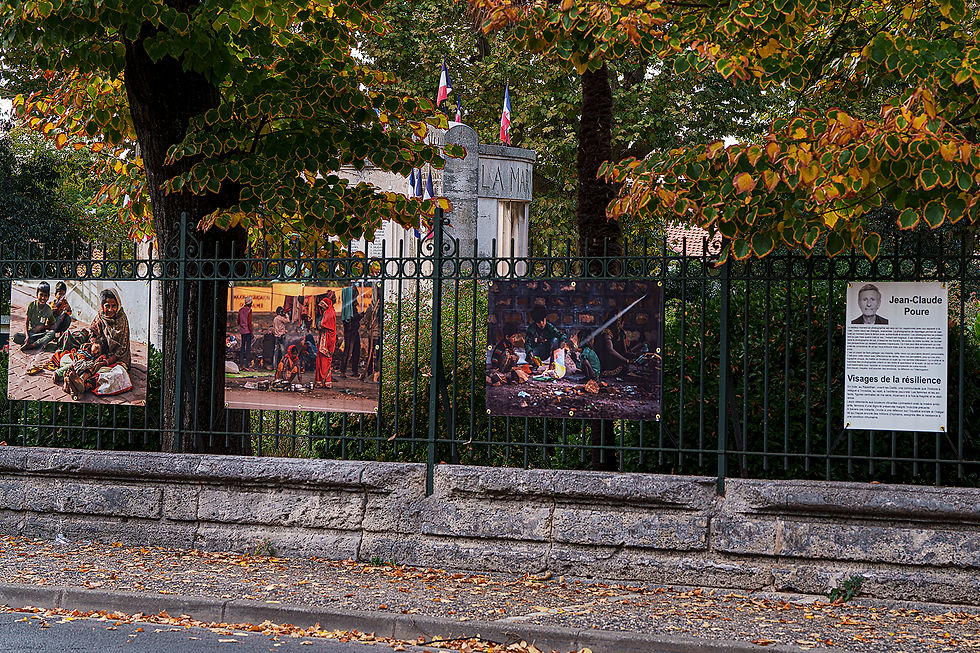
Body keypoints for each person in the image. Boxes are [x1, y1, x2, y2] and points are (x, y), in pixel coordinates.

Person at [89, 288, 131, 368]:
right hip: (101, 353)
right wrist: (94, 346)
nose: (110, 310)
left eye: (113, 306)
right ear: (102, 306)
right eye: (107, 306)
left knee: (115, 373)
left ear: (118, 304)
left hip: (119, 358)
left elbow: (122, 349)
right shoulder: (100, 317)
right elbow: (92, 334)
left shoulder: (121, 319)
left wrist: (106, 362)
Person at [14, 281, 55, 351]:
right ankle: (38, 343)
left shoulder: (48, 309)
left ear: (48, 297)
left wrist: (43, 327)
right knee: (16, 337)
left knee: (52, 334)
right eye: (41, 295)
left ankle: (32, 345)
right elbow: (26, 323)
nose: (43, 297)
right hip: (31, 334)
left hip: (41, 335)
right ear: (37, 295)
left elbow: (53, 325)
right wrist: (27, 336)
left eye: (45, 296)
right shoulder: (31, 306)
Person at [315, 291, 337, 389]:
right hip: (324, 339)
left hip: (327, 341)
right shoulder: (329, 311)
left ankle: (324, 380)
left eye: (323, 306)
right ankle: (322, 381)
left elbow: (322, 325)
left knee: (324, 361)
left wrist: (319, 325)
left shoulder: (329, 312)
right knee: (322, 361)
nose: (322, 308)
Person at [340, 286, 361, 378]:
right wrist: (360, 316)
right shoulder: (348, 308)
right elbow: (350, 318)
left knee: (356, 351)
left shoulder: (352, 307)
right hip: (350, 331)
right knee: (348, 351)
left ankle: (354, 371)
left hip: (355, 331)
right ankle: (343, 371)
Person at [238, 296, 254, 369]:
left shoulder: (240, 310)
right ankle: (247, 364)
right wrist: (251, 332)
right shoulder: (249, 310)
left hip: (242, 331)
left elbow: (238, 321)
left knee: (242, 347)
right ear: (250, 303)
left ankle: (241, 364)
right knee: (247, 348)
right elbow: (249, 323)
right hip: (247, 332)